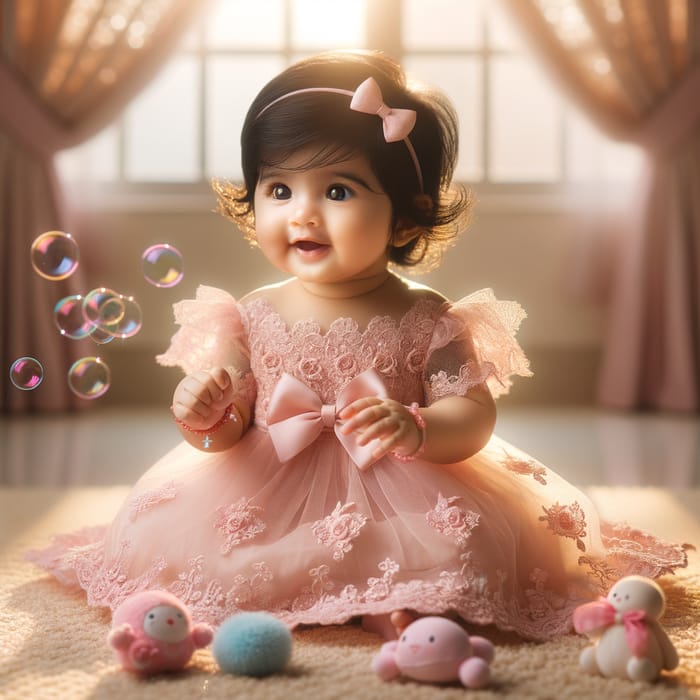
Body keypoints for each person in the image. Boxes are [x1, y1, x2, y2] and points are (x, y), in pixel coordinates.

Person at [31, 51, 687, 641]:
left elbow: (474, 413)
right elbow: (223, 430)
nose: (303, 213)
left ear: (406, 216)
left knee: (463, 551)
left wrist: (420, 425)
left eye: (337, 191)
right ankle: (347, 601)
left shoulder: (431, 318)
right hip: (265, 489)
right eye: (279, 189)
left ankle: (398, 603)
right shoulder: (246, 315)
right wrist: (203, 407)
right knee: (215, 557)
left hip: (401, 482)